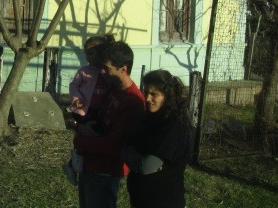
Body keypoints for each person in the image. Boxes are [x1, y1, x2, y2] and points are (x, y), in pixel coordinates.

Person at [72, 41, 145, 208]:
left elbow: (114, 145)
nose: (102, 72)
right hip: (90, 163)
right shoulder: (112, 88)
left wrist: (79, 142)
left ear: (123, 69)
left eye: (107, 68)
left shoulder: (132, 102)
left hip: (105, 170)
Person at [122, 70, 192, 208]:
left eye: (154, 94)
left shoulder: (174, 125)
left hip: (164, 201)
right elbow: (124, 148)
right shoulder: (147, 118)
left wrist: (133, 156)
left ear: (167, 96)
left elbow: (147, 166)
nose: (147, 99)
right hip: (140, 200)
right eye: (146, 93)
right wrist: (132, 154)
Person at [63, 34, 115, 185]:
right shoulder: (84, 71)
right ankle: (75, 162)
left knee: (94, 135)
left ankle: (73, 164)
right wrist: (76, 99)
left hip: (99, 112)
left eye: (90, 54)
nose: (87, 57)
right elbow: (74, 86)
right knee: (83, 134)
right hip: (82, 110)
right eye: (85, 54)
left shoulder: (107, 72)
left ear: (101, 53)